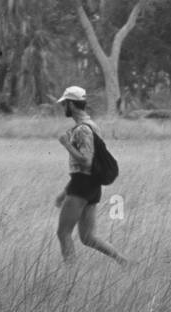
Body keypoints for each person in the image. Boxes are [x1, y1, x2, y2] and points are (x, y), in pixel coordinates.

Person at [53, 86, 129, 266]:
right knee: (88, 237)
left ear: (71, 104)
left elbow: (86, 162)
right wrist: (64, 192)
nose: (63, 107)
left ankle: (70, 278)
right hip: (91, 186)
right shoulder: (92, 126)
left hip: (81, 186)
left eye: (64, 104)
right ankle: (124, 262)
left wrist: (66, 144)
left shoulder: (82, 130)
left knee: (63, 233)